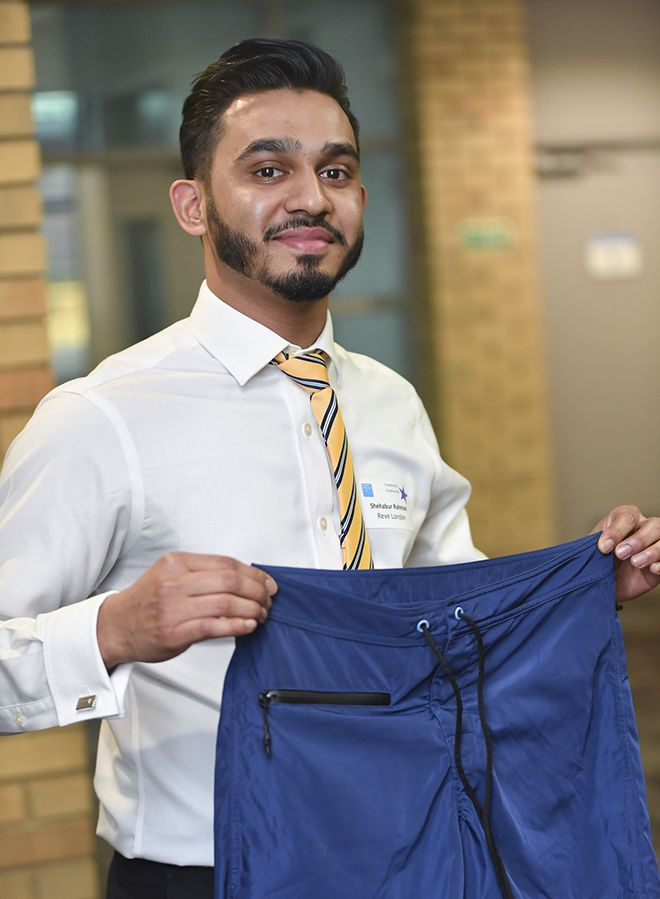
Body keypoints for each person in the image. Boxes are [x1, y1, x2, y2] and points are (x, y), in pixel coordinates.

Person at [0, 38, 658, 899]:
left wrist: (573, 593)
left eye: (337, 171)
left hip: (410, 856)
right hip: (205, 873)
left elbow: (444, 618)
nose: (311, 197)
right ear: (193, 206)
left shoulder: (391, 405)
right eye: (267, 170)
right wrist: (114, 629)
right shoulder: (102, 415)